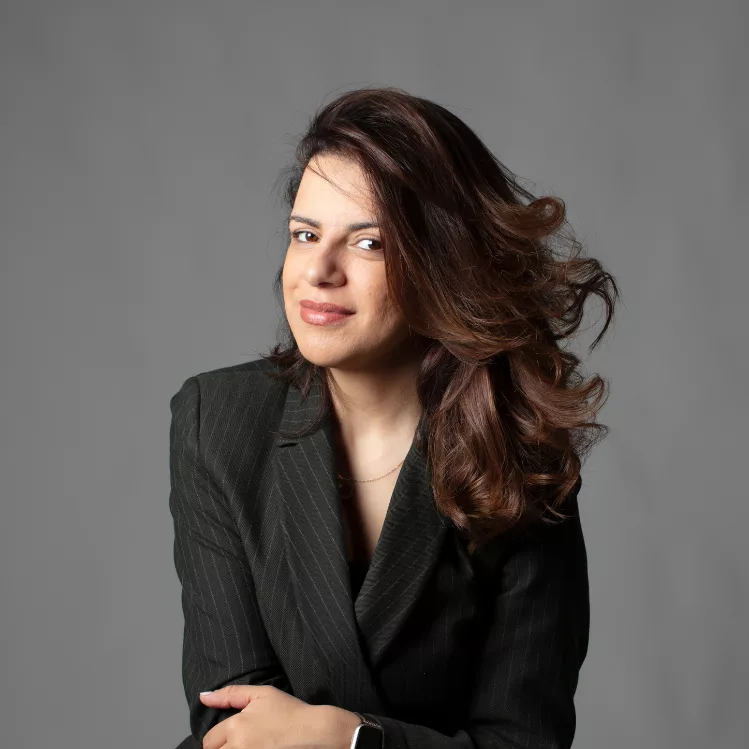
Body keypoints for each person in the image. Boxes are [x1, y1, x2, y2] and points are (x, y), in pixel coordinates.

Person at [169, 86, 620, 749]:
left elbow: (524, 740)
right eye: (304, 235)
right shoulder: (216, 419)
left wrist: (352, 738)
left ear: (442, 262)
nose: (319, 271)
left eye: (369, 243)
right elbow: (231, 722)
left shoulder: (523, 456)